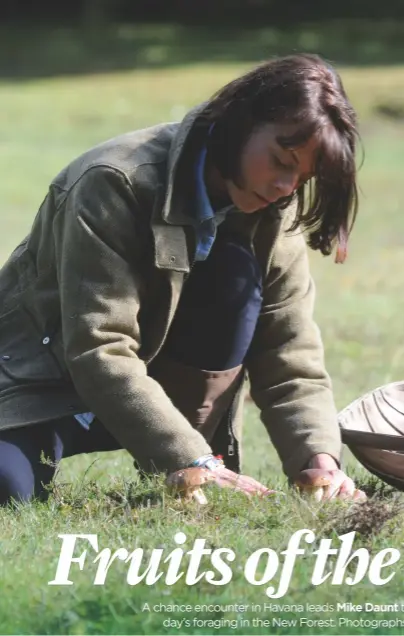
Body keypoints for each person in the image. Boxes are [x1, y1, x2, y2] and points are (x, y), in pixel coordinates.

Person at [0, 53, 366, 505]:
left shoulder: (274, 206)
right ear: (239, 122)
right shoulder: (113, 181)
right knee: (8, 489)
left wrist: (318, 457)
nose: (285, 187)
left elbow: (288, 348)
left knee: (234, 272)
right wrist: (186, 456)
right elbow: (100, 346)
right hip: (41, 383)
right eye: (279, 160)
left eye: (302, 176)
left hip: (156, 392)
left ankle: (188, 467)